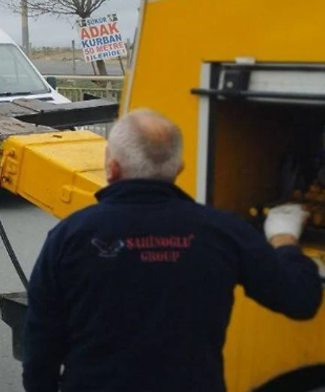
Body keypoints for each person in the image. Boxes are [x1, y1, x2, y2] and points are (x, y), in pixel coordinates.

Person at [22, 109, 323, 392]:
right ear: (178, 167)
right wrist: (284, 238)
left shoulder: (69, 236)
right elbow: (300, 299)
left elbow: (40, 346)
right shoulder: (222, 232)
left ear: (111, 168)